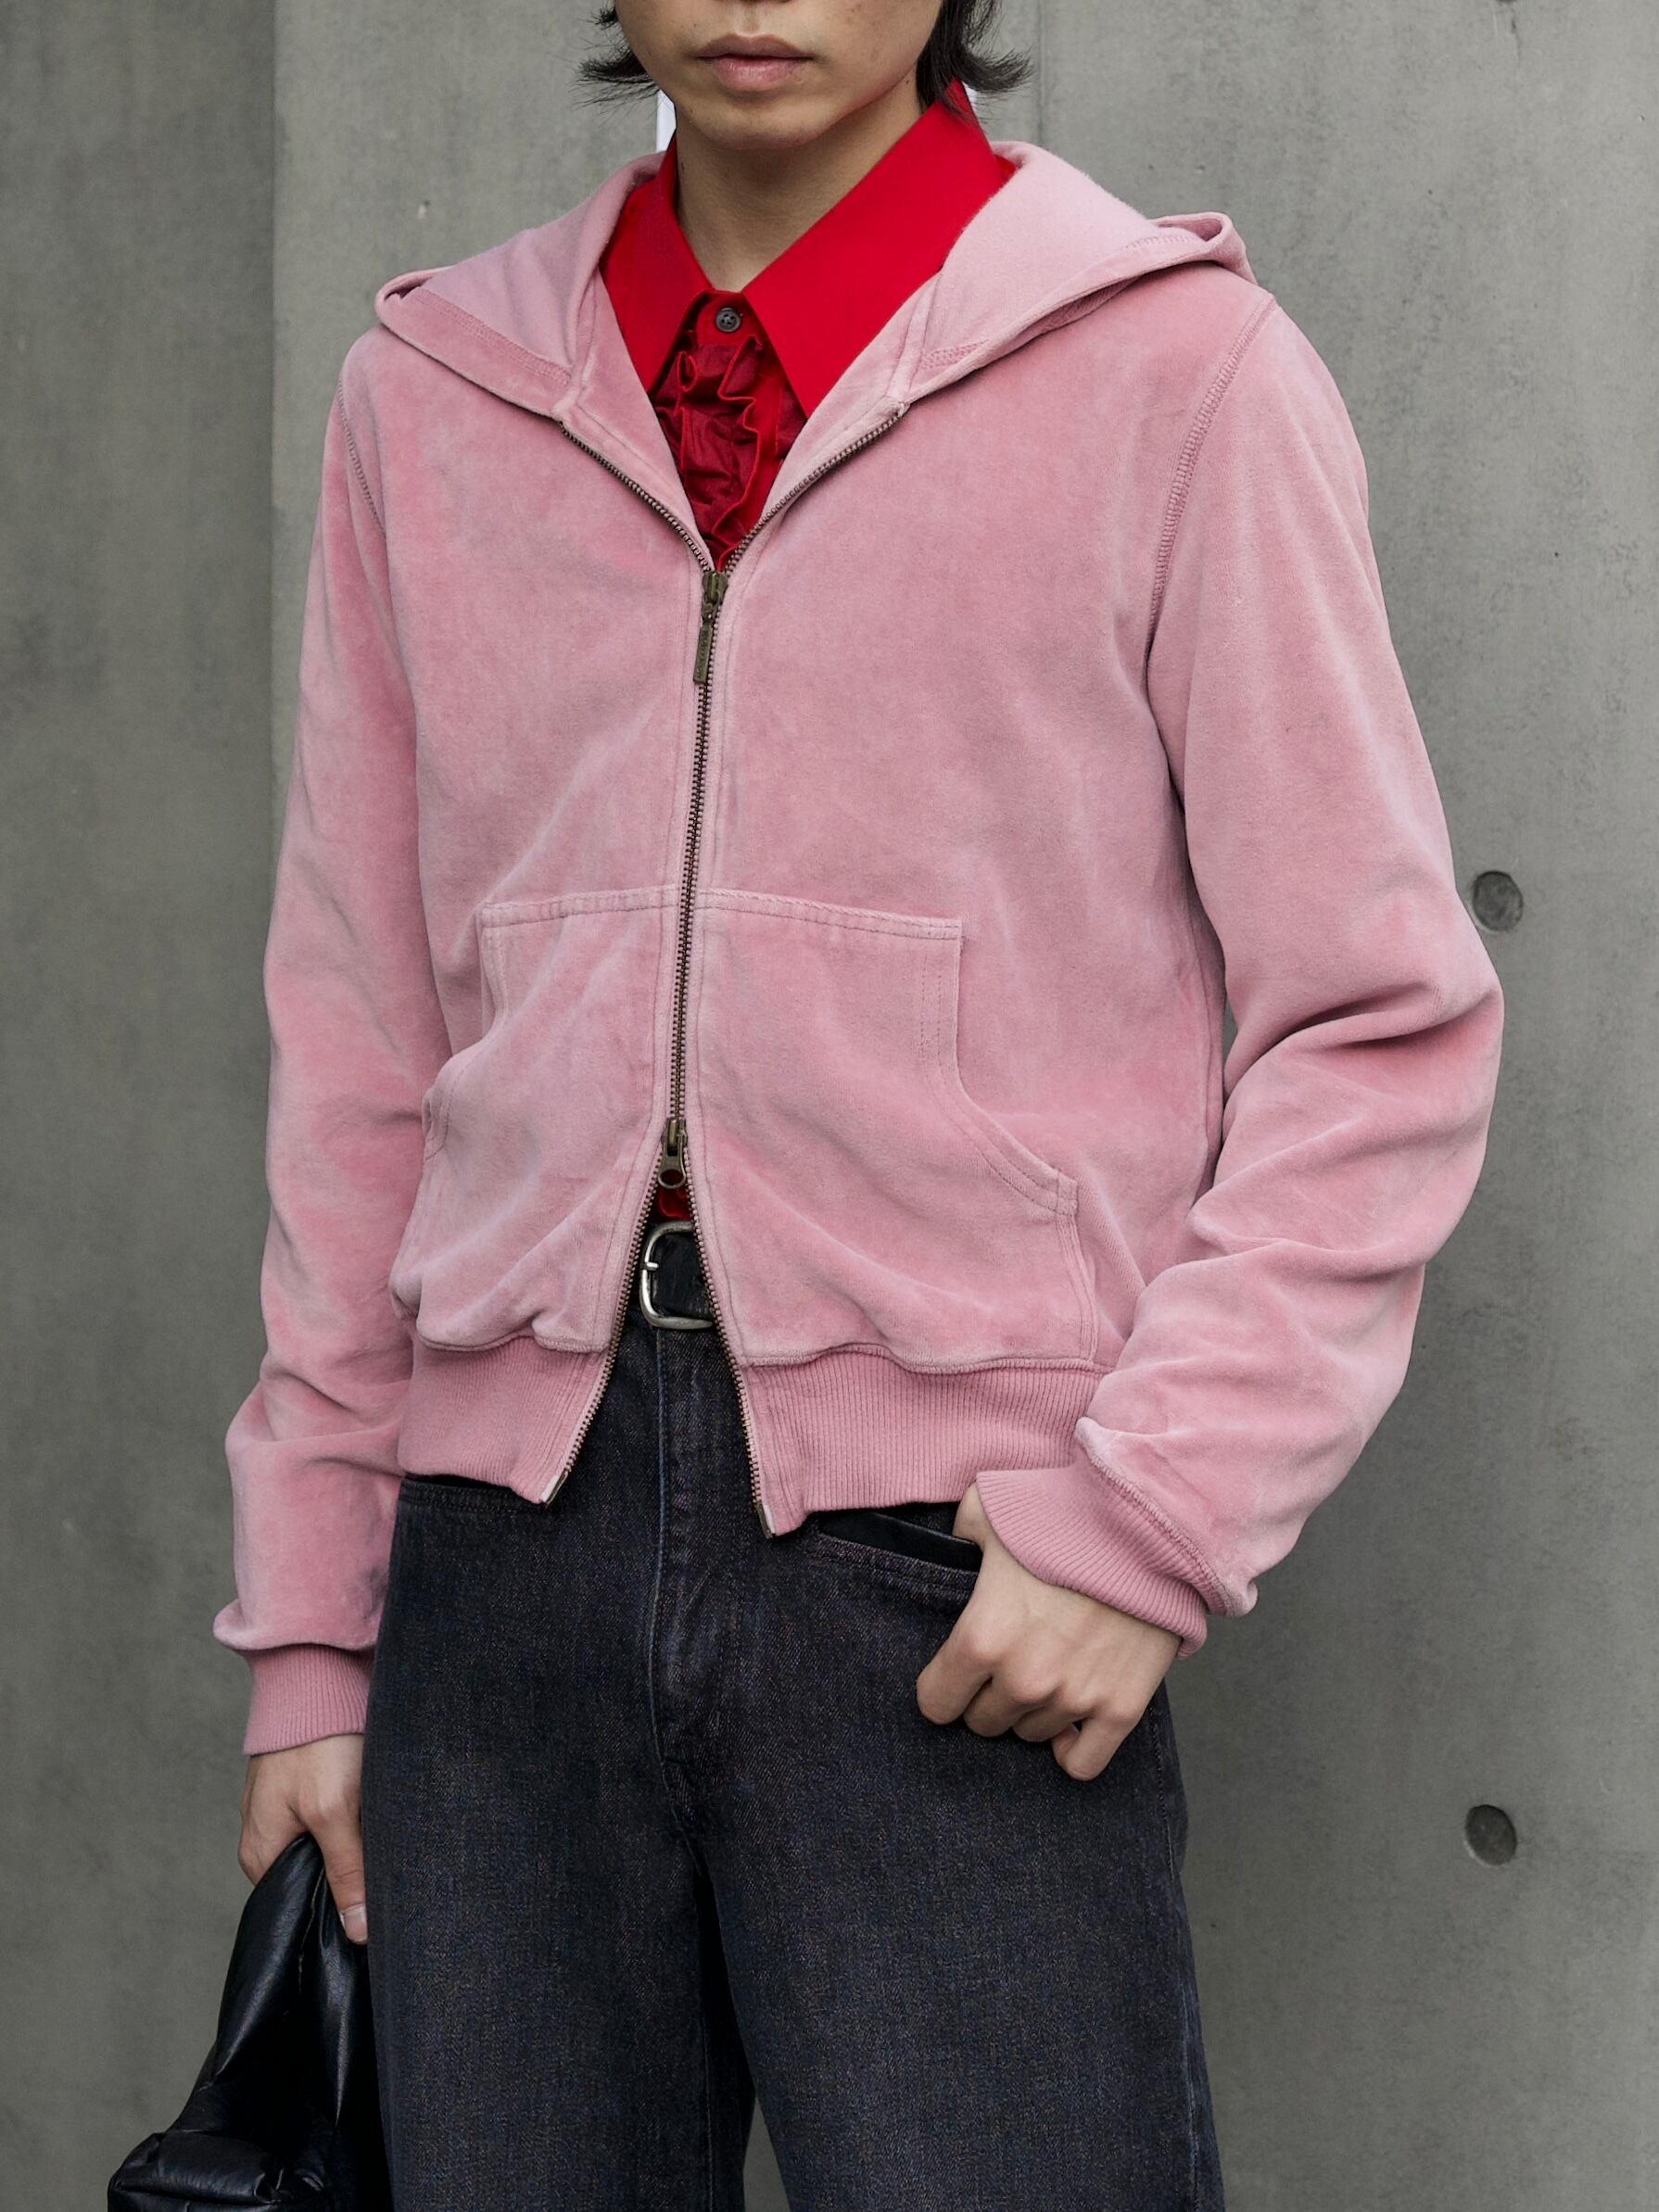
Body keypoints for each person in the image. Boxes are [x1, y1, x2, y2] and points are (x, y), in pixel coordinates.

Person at [220, 3, 1505, 2205]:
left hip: (949, 1569)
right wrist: (319, 1631)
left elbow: (1374, 1026)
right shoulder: (430, 395)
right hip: (498, 1564)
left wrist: (1149, 1517)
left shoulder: (1174, 375)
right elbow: (362, 1060)